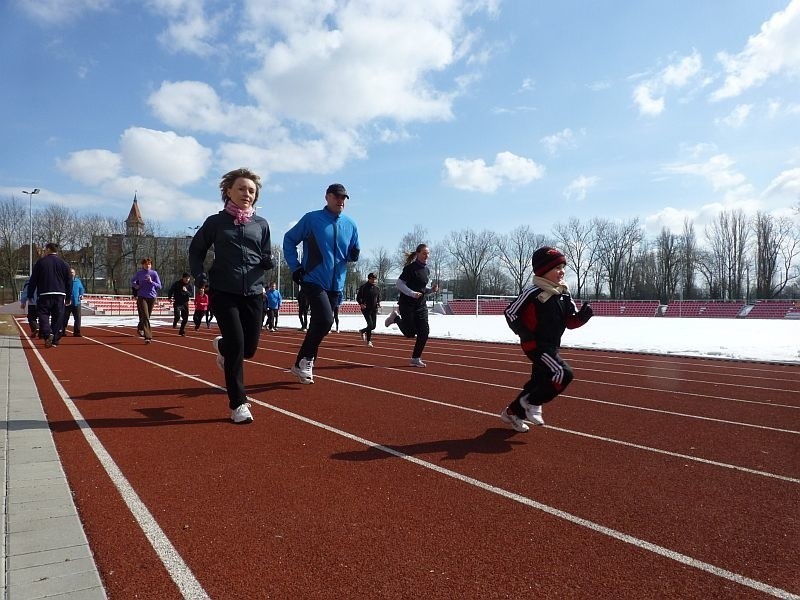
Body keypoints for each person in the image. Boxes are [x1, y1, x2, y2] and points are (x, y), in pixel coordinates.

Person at [189, 167, 273, 425]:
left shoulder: (261, 224)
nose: (247, 193)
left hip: (253, 293)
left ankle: (222, 346)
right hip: (224, 291)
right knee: (237, 345)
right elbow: (196, 251)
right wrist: (200, 276)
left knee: (249, 349)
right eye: (241, 188)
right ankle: (238, 404)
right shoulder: (215, 222)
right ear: (228, 191)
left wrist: (267, 261)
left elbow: (266, 252)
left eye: (251, 190)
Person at [500, 246, 593, 432]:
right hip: (535, 344)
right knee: (563, 373)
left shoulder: (564, 294)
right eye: (557, 268)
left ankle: (513, 412)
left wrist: (582, 317)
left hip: (552, 345)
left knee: (539, 382)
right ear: (544, 270)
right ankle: (533, 403)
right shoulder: (532, 292)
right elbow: (510, 312)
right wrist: (525, 334)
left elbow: (570, 321)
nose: (562, 271)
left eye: (563, 267)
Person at [283, 183, 360, 384]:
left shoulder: (350, 224)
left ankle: (299, 363)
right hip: (313, 279)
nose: (340, 201)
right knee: (325, 320)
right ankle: (308, 361)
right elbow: (289, 239)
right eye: (337, 196)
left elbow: (353, 250)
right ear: (327, 197)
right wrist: (296, 267)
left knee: (320, 325)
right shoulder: (312, 219)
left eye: (343, 198)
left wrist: (355, 253)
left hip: (337, 284)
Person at [384, 243, 438, 367]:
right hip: (407, 304)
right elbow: (399, 284)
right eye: (424, 253)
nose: (427, 255)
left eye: (428, 253)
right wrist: (412, 293)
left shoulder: (427, 270)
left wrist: (431, 290)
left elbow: (422, 288)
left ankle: (415, 358)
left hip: (421, 305)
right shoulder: (410, 269)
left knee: (424, 332)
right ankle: (396, 318)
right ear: (418, 254)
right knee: (410, 333)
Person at [27, 243, 72, 348]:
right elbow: (69, 281)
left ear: (48, 249)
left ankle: (48, 334)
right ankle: (55, 338)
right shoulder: (64, 264)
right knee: (58, 317)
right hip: (60, 294)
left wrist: (30, 294)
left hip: (44, 293)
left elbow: (33, 280)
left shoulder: (41, 263)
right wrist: (68, 296)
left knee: (43, 314)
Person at [131, 258, 162, 344]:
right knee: (146, 316)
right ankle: (148, 336)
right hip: (142, 297)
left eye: (149, 264)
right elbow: (132, 281)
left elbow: (159, 286)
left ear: (151, 265)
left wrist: (151, 282)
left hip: (152, 297)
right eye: (145, 264)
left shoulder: (154, 273)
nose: (147, 265)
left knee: (146, 316)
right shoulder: (139, 273)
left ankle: (140, 327)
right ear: (143, 265)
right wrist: (136, 286)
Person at [356, 272, 380, 347]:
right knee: (370, 324)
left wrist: (378, 303)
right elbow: (358, 297)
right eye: (372, 279)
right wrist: (361, 304)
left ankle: (362, 331)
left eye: (375, 279)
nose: (374, 280)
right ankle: (369, 341)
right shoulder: (363, 287)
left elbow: (378, 297)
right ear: (369, 279)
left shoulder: (377, 288)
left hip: (374, 309)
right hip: (366, 309)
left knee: (373, 326)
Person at [61, 267, 85, 337]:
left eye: (73, 272)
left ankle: (77, 332)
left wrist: (81, 295)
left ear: (75, 273)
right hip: (67, 302)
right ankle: (62, 331)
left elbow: (81, 289)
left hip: (76, 303)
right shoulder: (65, 281)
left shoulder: (78, 281)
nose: (71, 274)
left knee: (77, 318)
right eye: (70, 272)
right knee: (65, 318)